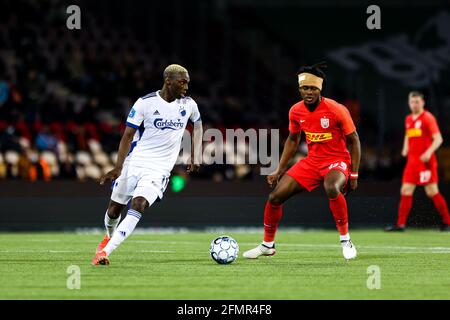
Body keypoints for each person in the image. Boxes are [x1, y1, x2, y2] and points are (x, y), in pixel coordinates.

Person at [243, 62, 361, 260]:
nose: (309, 92)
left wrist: (354, 174)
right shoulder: (296, 111)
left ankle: (345, 240)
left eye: (313, 88)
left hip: (336, 160)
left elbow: (354, 140)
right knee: (275, 197)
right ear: (299, 89)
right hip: (312, 162)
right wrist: (279, 169)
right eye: (305, 88)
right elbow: (292, 140)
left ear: (320, 89)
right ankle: (267, 245)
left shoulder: (336, 109)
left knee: (331, 187)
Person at [91, 64, 203, 265]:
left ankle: (105, 252)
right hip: (135, 162)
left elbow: (198, 125)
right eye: (182, 82)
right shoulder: (145, 103)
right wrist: (118, 167)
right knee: (113, 210)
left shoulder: (189, 105)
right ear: (168, 81)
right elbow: (127, 136)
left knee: (139, 204)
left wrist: (196, 153)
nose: (186, 87)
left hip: (159, 169)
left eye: (188, 82)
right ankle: (108, 236)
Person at [385, 91, 449, 232]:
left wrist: (428, 152)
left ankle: (447, 222)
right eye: (412, 102)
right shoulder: (408, 119)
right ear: (409, 103)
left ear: (423, 103)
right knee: (405, 190)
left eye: (417, 102)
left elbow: (438, 139)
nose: (414, 104)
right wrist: (405, 148)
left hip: (426, 162)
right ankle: (400, 225)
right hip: (412, 162)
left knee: (432, 191)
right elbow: (409, 135)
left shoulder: (428, 118)